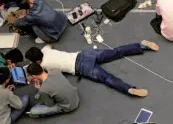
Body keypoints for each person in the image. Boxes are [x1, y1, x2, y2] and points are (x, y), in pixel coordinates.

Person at [25, 41, 158, 97]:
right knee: (115, 52)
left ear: (36, 62)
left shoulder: (44, 66)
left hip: (81, 68)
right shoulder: (45, 50)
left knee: (107, 78)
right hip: (84, 55)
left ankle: (129, 89)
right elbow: (49, 45)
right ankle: (140, 45)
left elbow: (44, 75)